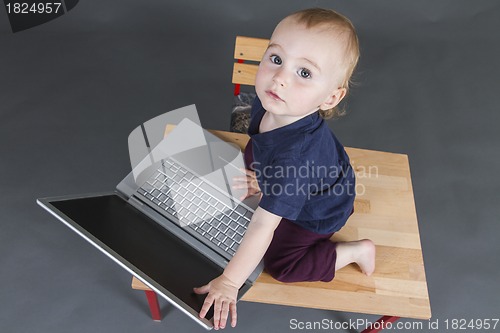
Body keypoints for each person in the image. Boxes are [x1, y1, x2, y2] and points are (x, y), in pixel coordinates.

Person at [193, 8, 375, 330]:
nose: (280, 78)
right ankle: (266, 182)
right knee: (254, 154)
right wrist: (264, 179)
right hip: (308, 174)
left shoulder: (295, 162)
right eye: (276, 59)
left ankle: (352, 252)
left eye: (304, 73)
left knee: (281, 265)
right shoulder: (272, 100)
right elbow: (261, 145)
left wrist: (230, 282)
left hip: (316, 211)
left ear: (331, 96)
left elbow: (264, 226)